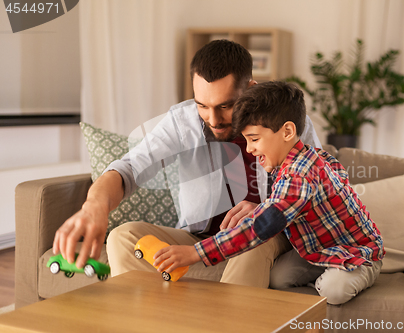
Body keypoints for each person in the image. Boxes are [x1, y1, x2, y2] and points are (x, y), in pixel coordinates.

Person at [52, 40, 322, 288]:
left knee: (254, 234)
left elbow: (319, 191)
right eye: (202, 105)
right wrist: (94, 207)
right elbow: (129, 168)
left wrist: (266, 210)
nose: (213, 119)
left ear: (250, 89)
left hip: (268, 238)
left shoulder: (288, 124)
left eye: (226, 106)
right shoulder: (182, 123)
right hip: (201, 241)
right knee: (123, 237)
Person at [154, 81, 385, 304]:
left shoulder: (300, 175)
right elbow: (284, 203)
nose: (249, 149)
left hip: (356, 251)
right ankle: (325, 274)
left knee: (333, 290)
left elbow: (261, 226)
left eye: (254, 139)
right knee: (278, 279)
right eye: (246, 140)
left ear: (287, 132)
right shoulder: (299, 159)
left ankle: (358, 272)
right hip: (317, 249)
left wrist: (196, 253)